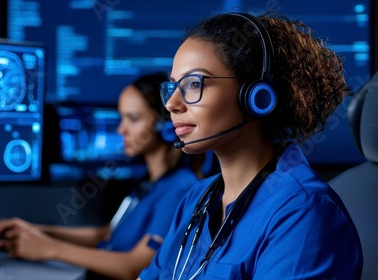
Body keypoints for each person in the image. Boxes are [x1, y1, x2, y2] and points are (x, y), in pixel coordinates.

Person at [138, 12, 363, 280]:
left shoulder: (304, 211)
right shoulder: (196, 199)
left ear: (256, 96)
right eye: (173, 87)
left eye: (194, 84)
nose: (172, 104)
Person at [0, 72, 205, 280]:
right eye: (121, 118)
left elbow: (134, 266)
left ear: (164, 125)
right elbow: (107, 235)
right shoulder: (152, 183)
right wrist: (37, 231)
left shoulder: (180, 188)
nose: (121, 130)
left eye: (133, 119)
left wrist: (49, 249)